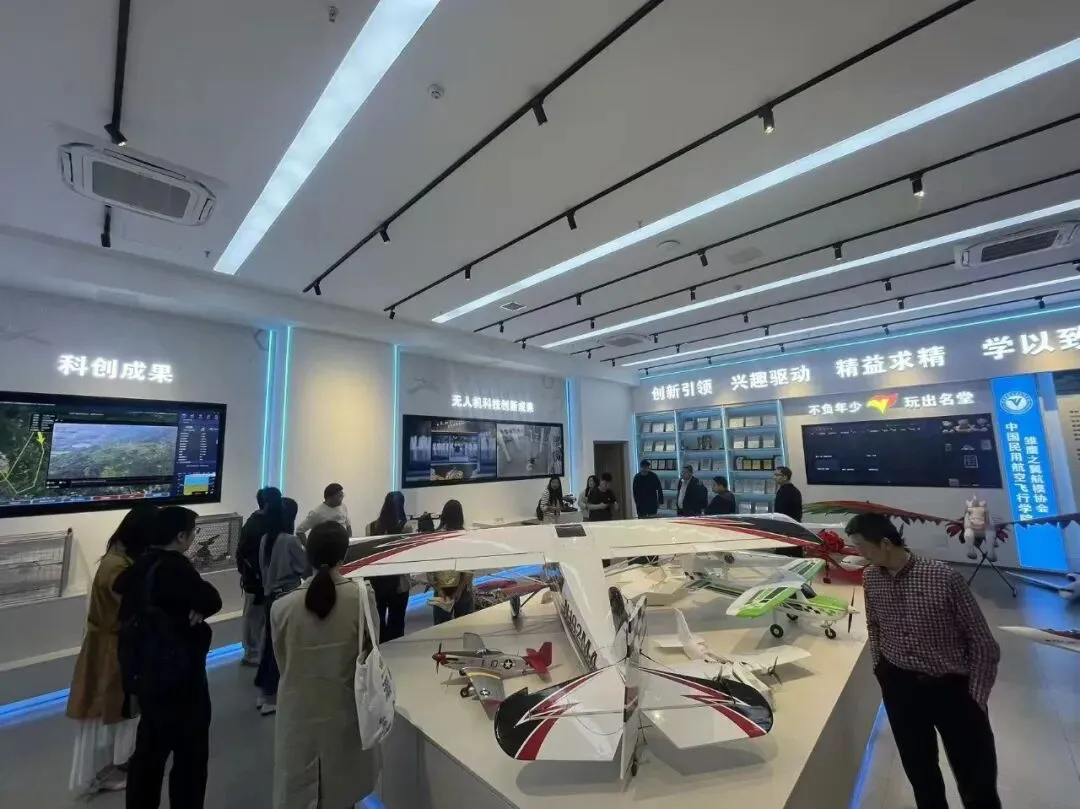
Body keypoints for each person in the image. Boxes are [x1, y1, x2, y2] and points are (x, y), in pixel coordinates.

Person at [846, 512, 1002, 809]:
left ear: (885, 543)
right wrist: (881, 669)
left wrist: (976, 698)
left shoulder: (944, 577)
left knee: (977, 780)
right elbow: (874, 625)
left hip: (952, 690)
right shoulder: (870, 578)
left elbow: (982, 642)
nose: (860, 554)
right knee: (921, 774)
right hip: (900, 689)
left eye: (862, 546)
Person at [116, 506, 222, 809]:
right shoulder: (177, 569)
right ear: (180, 536)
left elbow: (120, 587)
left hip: (147, 675)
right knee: (190, 757)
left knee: (148, 755)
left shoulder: (140, 567)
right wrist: (197, 607)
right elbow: (211, 598)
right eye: (192, 532)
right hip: (183, 678)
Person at [271, 521, 379, 809]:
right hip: (346, 712)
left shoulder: (282, 607)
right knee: (344, 791)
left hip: (298, 716)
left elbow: (283, 663)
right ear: (344, 554)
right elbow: (371, 653)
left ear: (307, 553)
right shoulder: (362, 596)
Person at [66, 505, 158, 794]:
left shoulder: (115, 559)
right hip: (113, 650)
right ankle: (111, 768)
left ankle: (111, 767)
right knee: (112, 711)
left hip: (109, 647)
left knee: (109, 711)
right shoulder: (118, 569)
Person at [255, 497, 309, 716]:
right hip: (287, 597)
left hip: (270, 598)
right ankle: (273, 696)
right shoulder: (290, 541)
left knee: (269, 645)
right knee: (284, 648)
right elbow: (304, 568)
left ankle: (263, 692)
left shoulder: (265, 539)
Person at [235, 486, 281, 666]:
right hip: (255, 579)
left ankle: (257, 649)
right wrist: (255, 575)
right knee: (253, 615)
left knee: (260, 615)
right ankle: (251, 652)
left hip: (263, 578)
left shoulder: (264, 521)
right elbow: (244, 554)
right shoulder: (256, 525)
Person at [369, 491, 412, 643]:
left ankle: (380, 649)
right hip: (399, 583)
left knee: (378, 619)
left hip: (377, 582)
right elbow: (407, 555)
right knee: (397, 620)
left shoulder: (371, 527)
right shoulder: (406, 527)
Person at [427, 500, 474, 624]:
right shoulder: (466, 537)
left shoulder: (435, 538)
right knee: (464, 626)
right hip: (463, 589)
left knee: (441, 628)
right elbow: (469, 567)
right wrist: (460, 589)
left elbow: (430, 567)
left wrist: (439, 589)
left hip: (442, 590)